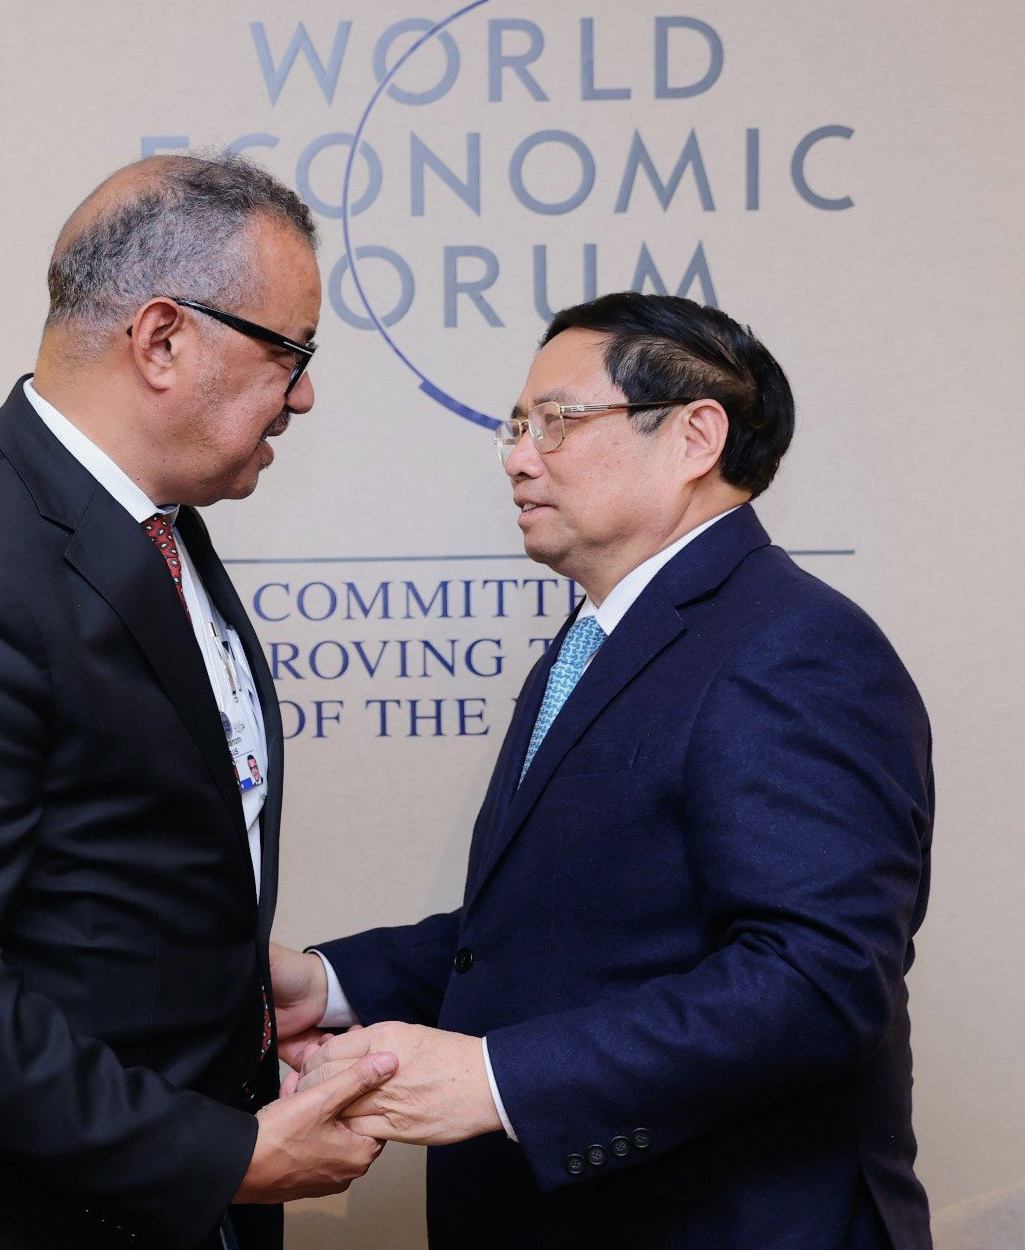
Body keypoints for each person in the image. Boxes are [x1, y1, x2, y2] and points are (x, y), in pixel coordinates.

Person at [0, 154, 397, 1250]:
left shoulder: (157, 524)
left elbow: (116, 864)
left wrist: (237, 1018)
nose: (304, 395)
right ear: (162, 339)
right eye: (290, 353)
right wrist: (224, 1158)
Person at [273, 293, 936, 1249]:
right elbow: (560, 928)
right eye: (515, 427)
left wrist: (497, 1081)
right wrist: (328, 984)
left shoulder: (795, 644)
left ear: (694, 436)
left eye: (556, 420)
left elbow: (818, 979)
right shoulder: (598, 637)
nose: (517, 457)